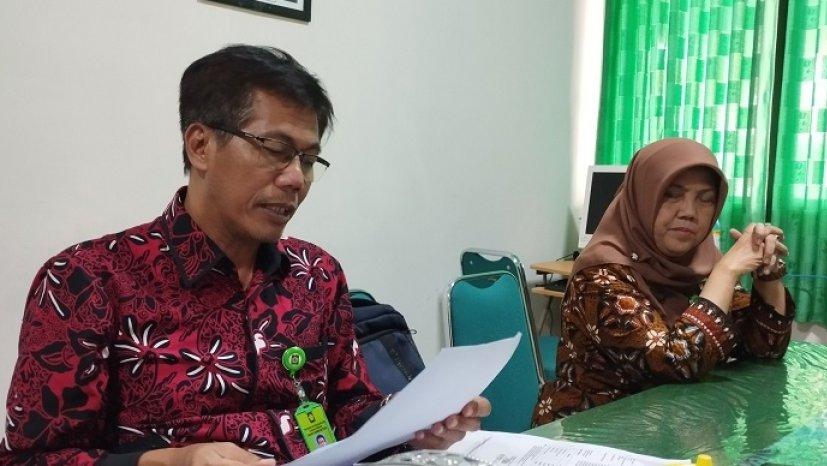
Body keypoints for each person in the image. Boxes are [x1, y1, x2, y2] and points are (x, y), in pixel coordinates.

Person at [0, 45, 489, 466]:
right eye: (275, 149)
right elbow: (32, 458)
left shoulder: (315, 274)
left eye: (308, 159)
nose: (296, 179)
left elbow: (349, 410)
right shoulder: (86, 281)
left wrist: (413, 426)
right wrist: (171, 460)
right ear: (200, 146)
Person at [532, 138, 794, 425]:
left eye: (705, 199)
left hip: (673, 425)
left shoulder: (699, 263)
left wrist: (766, 273)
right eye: (671, 194)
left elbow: (765, 348)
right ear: (643, 198)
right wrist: (726, 271)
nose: (689, 212)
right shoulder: (600, 274)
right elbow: (678, 361)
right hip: (592, 431)